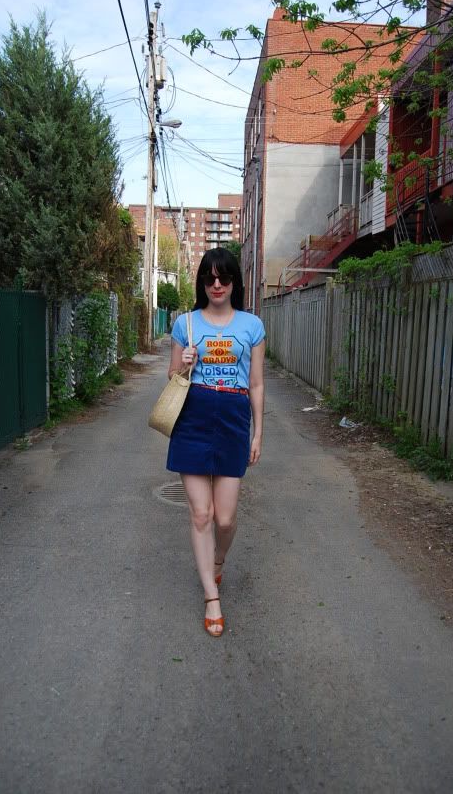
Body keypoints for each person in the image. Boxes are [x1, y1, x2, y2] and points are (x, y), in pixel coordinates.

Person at [167, 247, 265, 637]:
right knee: (201, 514)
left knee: (225, 518)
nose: (217, 284)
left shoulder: (252, 326)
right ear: (202, 283)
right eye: (209, 278)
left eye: (224, 277)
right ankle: (212, 596)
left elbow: (256, 383)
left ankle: (218, 559)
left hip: (233, 416)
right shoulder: (185, 323)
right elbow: (172, 376)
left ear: (234, 282)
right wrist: (184, 364)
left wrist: (258, 432)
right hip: (193, 415)